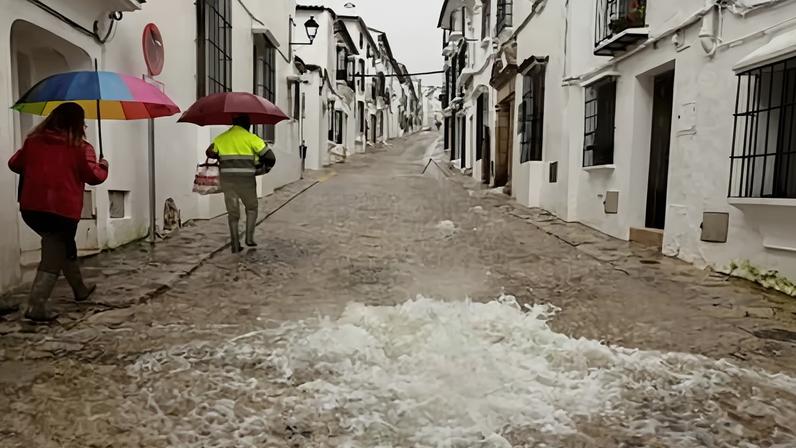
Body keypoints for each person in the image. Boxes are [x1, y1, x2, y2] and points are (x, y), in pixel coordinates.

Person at [8, 102, 109, 322]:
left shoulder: (33, 142)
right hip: (62, 210)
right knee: (54, 251)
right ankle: (36, 305)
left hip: (32, 208)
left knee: (63, 245)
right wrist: (104, 165)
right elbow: (94, 177)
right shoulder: (81, 148)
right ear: (78, 123)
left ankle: (80, 290)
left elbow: (14, 164)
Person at [206, 115, 271, 253]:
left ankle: (235, 244)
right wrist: (263, 169)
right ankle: (249, 238)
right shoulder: (253, 139)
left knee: (233, 213)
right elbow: (270, 157)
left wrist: (221, 157)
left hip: (227, 181)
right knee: (252, 208)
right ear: (248, 125)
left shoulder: (221, 138)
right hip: (246, 181)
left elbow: (209, 152)